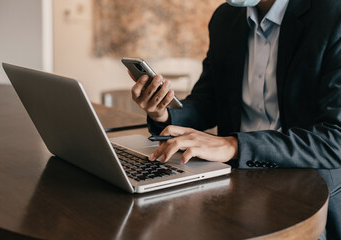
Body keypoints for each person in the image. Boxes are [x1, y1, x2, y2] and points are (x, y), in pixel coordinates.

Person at [128, 0, 341, 239]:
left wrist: (233, 145)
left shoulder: (333, 16)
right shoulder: (224, 18)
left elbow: (336, 139)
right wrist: (163, 113)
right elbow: (208, 100)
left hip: (308, 190)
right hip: (236, 181)